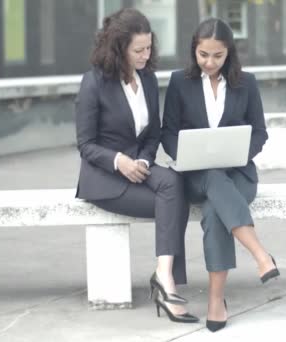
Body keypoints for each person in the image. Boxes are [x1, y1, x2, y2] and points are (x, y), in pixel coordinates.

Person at [74, 8, 198, 323]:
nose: (146, 55)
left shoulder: (147, 78)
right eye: (138, 50)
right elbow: (86, 146)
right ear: (119, 48)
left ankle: (163, 275)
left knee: (174, 181)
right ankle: (166, 282)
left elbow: (153, 133)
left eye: (149, 48)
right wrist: (119, 162)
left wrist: (143, 159)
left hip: (140, 169)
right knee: (174, 197)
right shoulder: (93, 83)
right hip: (105, 180)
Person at [161, 18, 280, 332]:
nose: (210, 62)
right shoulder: (179, 82)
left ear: (230, 54)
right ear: (194, 51)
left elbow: (260, 133)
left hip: (238, 173)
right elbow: (169, 134)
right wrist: (186, 155)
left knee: (216, 210)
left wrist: (239, 153)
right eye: (203, 55)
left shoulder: (246, 83)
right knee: (213, 179)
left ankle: (216, 300)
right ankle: (261, 255)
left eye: (217, 56)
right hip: (196, 175)